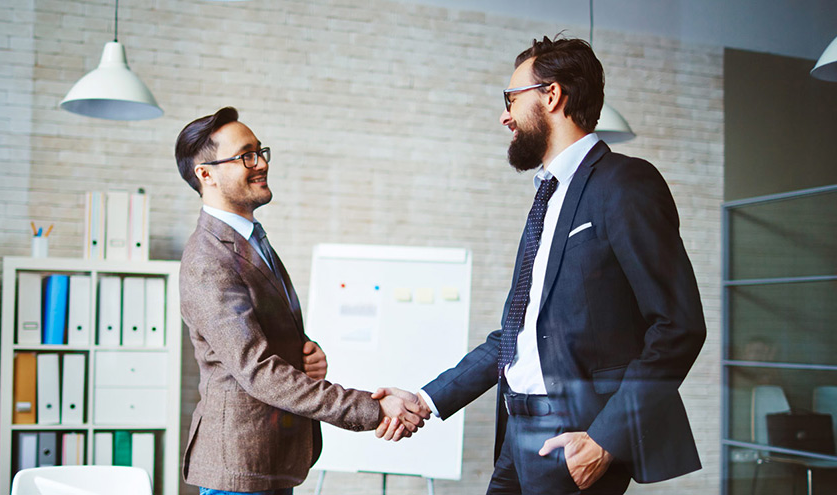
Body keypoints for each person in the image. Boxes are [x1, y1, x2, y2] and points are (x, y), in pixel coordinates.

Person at [374, 36, 706, 494]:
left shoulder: (626, 183)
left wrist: (605, 440)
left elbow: (678, 325)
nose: (504, 115)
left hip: (577, 437)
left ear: (551, 96)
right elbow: (516, 334)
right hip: (516, 431)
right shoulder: (545, 198)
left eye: (511, 99)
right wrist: (426, 399)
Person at [175, 107, 426, 495]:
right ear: (205, 174)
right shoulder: (208, 259)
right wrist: (373, 408)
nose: (260, 164)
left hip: (270, 459)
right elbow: (257, 370)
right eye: (245, 155)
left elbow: (265, 337)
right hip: (239, 470)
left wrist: (307, 354)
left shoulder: (250, 240)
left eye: (261, 152)